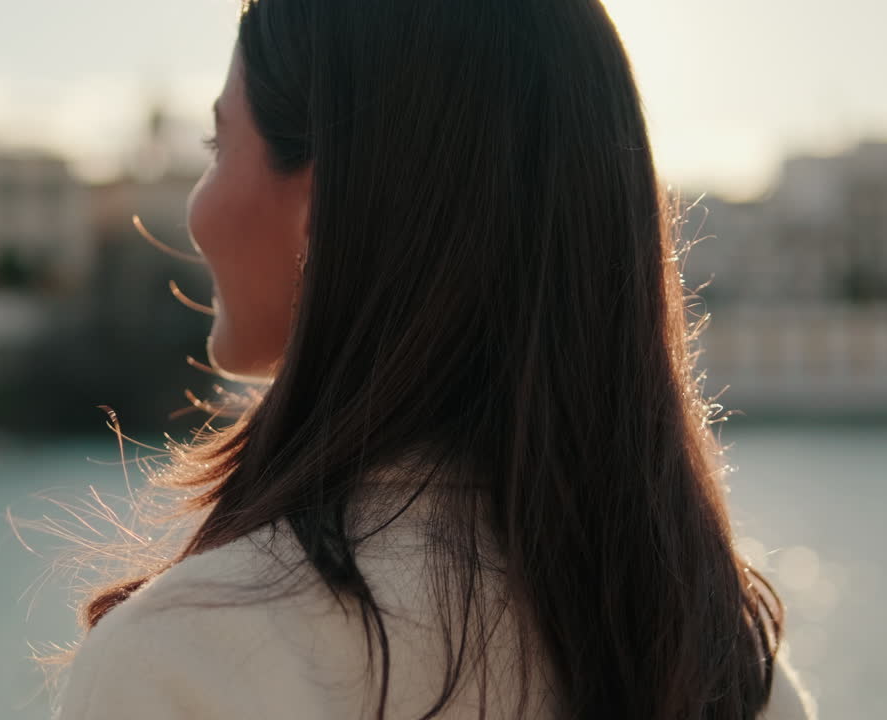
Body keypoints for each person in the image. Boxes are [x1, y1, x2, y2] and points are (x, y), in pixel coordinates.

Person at [51, 0, 817, 718]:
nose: (196, 208)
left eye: (219, 146)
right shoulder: (731, 663)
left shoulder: (182, 665)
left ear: (323, 211)